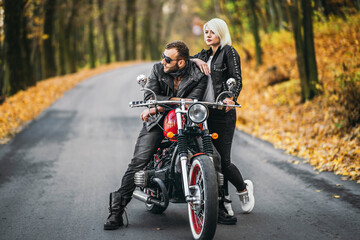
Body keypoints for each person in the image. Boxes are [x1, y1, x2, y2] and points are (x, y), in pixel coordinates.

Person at [104, 40, 209, 230]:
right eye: (163, 57)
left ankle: (217, 206)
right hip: (158, 122)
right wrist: (167, 103)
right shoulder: (157, 69)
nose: (163, 61)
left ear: (181, 62)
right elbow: (150, 97)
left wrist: (161, 104)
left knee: (213, 158)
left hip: (187, 123)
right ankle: (116, 212)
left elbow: (195, 100)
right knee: (139, 161)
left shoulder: (199, 74)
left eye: (168, 59)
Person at [191, 18, 255, 221]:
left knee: (224, 162)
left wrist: (230, 97)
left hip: (222, 112)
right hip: (204, 113)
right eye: (205, 32)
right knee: (212, 161)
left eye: (212, 32)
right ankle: (223, 200)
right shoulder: (204, 54)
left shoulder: (229, 52)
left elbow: (237, 79)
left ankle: (243, 189)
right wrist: (195, 61)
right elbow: (183, 59)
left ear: (221, 32)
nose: (208, 35)